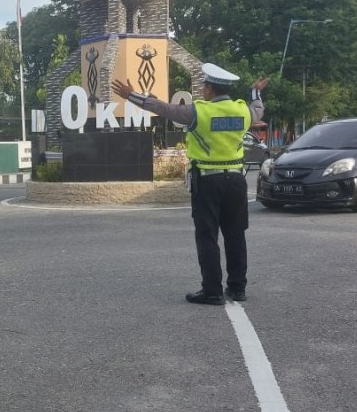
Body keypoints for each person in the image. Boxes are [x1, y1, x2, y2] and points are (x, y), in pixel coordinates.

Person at [112, 63, 268, 306]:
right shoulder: (243, 111)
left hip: (207, 180)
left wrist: (131, 95)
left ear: (209, 90)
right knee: (235, 235)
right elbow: (258, 108)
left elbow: (163, 108)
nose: (202, 91)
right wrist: (255, 91)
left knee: (207, 236)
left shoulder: (198, 112)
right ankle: (238, 288)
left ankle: (212, 291)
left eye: (204, 87)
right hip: (237, 181)